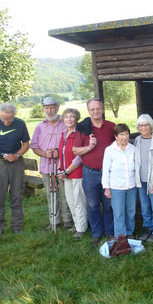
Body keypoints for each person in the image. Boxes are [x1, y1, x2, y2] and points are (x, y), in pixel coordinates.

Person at [73, 98, 116, 246]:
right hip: (90, 173)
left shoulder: (111, 126)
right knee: (93, 205)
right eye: (92, 109)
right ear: (88, 111)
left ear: (103, 110)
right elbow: (75, 150)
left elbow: (119, 144)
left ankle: (110, 232)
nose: (95, 111)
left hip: (108, 173)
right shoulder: (83, 128)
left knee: (109, 204)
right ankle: (96, 234)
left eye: (98, 109)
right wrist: (90, 147)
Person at [0, 103, 30, 237]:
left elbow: (26, 144)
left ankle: (17, 227)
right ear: (0, 115)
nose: (6, 122)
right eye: (3, 119)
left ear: (14, 116)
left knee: (17, 195)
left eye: (9, 119)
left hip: (16, 164)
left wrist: (17, 155)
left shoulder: (20, 124)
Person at [30, 96, 72, 230]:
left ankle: (68, 221)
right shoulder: (39, 126)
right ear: (44, 109)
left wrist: (59, 153)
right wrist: (44, 154)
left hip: (64, 166)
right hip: (46, 166)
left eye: (52, 107)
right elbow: (34, 146)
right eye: (46, 108)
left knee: (66, 193)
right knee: (51, 193)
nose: (49, 111)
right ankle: (54, 220)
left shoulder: (65, 124)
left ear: (58, 108)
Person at [57, 108, 88, 239]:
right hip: (66, 174)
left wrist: (67, 170)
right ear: (63, 119)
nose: (69, 119)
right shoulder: (64, 134)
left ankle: (82, 229)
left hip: (76, 173)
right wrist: (60, 169)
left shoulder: (79, 134)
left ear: (76, 119)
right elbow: (61, 154)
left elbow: (79, 157)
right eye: (66, 117)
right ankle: (77, 224)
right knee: (70, 201)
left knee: (79, 201)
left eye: (72, 117)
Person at [102, 124, 137, 239]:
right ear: (116, 136)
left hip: (132, 186)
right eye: (121, 134)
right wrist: (106, 188)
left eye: (126, 134)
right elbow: (106, 170)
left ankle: (130, 232)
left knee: (131, 211)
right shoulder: (110, 150)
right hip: (116, 187)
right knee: (119, 213)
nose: (124, 137)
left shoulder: (133, 149)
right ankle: (120, 236)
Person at [134, 114, 153, 243]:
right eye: (141, 125)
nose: (143, 127)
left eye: (146, 125)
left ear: (151, 126)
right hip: (141, 181)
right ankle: (148, 228)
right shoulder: (137, 141)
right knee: (145, 207)